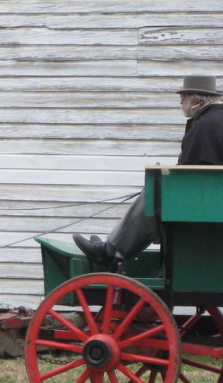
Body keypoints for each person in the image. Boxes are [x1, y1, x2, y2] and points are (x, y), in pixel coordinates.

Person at [73, 74, 223, 267]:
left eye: (183, 97)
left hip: (206, 202)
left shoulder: (205, 124)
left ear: (195, 99)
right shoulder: (214, 120)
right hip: (210, 198)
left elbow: (192, 171)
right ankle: (113, 247)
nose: (180, 102)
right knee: (155, 192)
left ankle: (110, 251)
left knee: (153, 196)